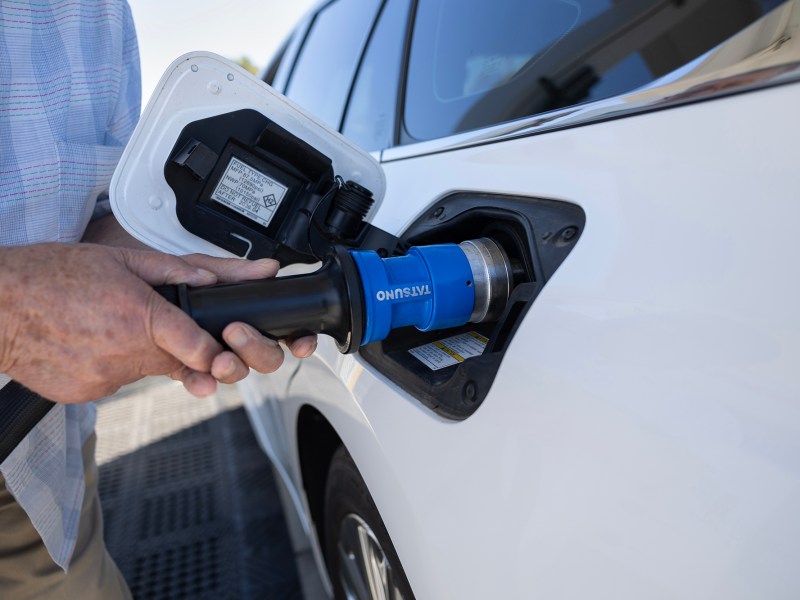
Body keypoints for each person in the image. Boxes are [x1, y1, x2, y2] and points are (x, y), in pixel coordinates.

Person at [0, 2, 315, 597]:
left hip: (37, 472)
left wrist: (181, 271)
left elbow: (95, 217)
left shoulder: (95, 14)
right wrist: (12, 317)